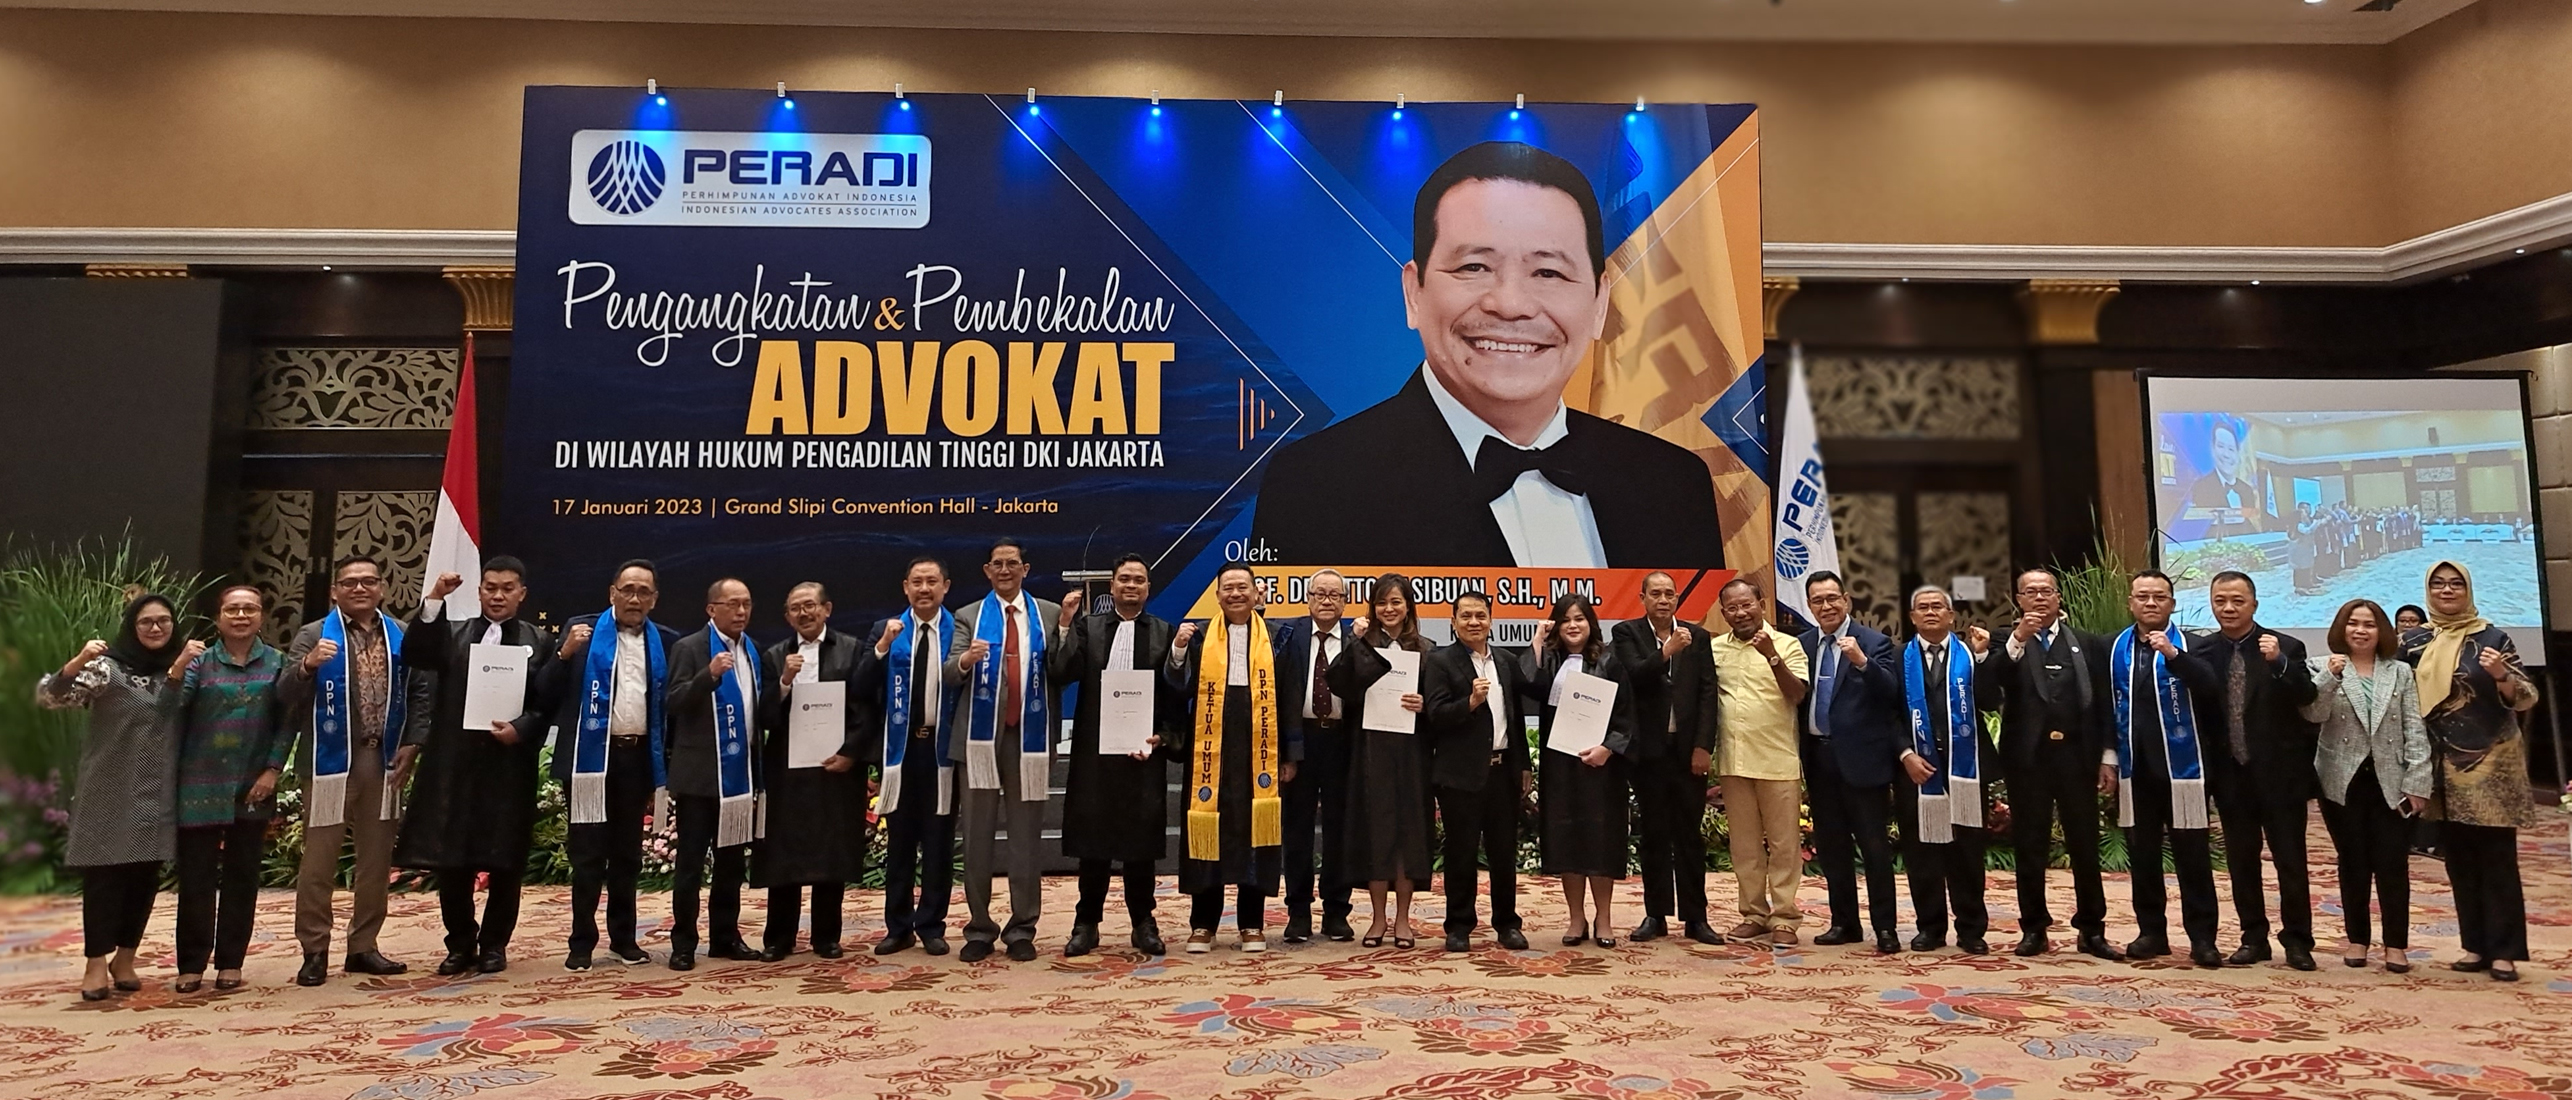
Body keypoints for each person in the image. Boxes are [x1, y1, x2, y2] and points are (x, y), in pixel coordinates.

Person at [1249, 140, 1724, 569]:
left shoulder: (1673, 484)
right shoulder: (1316, 484)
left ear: (1600, 304)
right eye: (1474, 267)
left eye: (1549, 273)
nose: (1510, 304)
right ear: (1414, 293)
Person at [396, 558, 555, 977]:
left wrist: (522, 729)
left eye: (507, 588)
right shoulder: (453, 633)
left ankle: (494, 945)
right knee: (454, 860)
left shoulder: (540, 641)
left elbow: (548, 701)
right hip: (456, 762)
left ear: (522, 594)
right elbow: (416, 653)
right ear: (480, 591)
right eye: (490, 588)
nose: (497, 596)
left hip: (509, 765)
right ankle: (460, 943)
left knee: (506, 860)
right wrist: (435, 599)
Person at [277, 555, 430, 987]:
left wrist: (413, 743)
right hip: (330, 762)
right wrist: (307, 666)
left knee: (376, 860)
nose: (360, 588)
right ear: (335, 591)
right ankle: (314, 950)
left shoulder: (399, 633)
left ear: (382, 588)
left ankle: (363, 946)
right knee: (319, 860)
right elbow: (284, 693)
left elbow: (420, 692)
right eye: (349, 582)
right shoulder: (313, 634)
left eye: (368, 581)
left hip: (383, 761)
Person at [40, 593, 186, 1000]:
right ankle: (94, 963)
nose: (155, 628)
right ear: (131, 627)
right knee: (104, 878)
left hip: (157, 790)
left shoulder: (183, 669)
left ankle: (125, 958)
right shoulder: (106, 668)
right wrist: (77, 661)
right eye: (146, 622)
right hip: (108, 788)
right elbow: (51, 697)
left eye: (163, 621)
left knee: (143, 878)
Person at [2401, 561, 2538, 982]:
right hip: (2440, 766)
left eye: (2455, 583)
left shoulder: (2493, 638)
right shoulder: (2414, 641)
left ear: (2468, 589)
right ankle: (2475, 946)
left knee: (2497, 859)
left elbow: (2525, 696)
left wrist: (2501, 675)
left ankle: (2505, 952)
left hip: (2491, 765)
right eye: (2438, 584)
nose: (2447, 590)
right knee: (2458, 860)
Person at [541, 558, 678, 971]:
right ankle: (581, 942)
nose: (635, 598)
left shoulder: (665, 641)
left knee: (626, 855)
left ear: (655, 599)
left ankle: (624, 939)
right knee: (586, 854)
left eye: (643, 592)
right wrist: (564, 654)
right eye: (627, 590)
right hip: (590, 760)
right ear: (612, 593)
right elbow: (544, 692)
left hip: (636, 759)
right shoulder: (579, 632)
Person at [1979, 566, 2119, 961]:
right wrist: (2018, 640)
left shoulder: (2088, 643)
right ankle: (2034, 928)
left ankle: (2092, 929)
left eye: (2047, 591)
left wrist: (2108, 757)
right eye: (2031, 592)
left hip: (2078, 758)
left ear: (2058, 598)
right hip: (2028, 762)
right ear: (2019, 600)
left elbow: (2104, 702)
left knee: (2084, 846)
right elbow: (1989, 689)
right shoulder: (2005, 641)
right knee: (2030, 846)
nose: (2040, 598)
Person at [1163, 562, 1298, 952]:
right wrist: (1178, 651)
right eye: (1228, 588)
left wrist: (1290, 754)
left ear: (1256, 593)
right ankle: (1203, 923)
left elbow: (1289, 697)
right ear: (1217, 595)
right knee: (1209, 829)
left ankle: (1251, 923)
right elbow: (1178, 689)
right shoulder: (1200, 636)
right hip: (1211, 746)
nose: (1236, 594)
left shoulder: (1278, 637)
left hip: (1261, 747)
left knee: (1255, 832)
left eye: (1243, 587)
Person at [2190, 571, 2320, 971]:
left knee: (2290, 862)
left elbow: (2307, 696)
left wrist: (2279, 663)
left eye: (2237, 601)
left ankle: (2297, 941)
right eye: (2220, 601)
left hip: (2280, 776)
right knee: (2241, 862)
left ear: (2254, 605)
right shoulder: (2202, 651)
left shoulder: (2286, 646)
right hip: (2231, 775)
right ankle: (2253, 938)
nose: (2228, 608)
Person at [1049, 554, 1176, 958]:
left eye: (1139, 580)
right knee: (1094, 844)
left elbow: (1173, 694)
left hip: (1142, 752)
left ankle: (1144, 923)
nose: (1131, 585)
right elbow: (1062, 671)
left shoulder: (1163, 632)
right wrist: (1065, 623)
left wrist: (1163, 737)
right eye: (1124, 579)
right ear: (1112, 586)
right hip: (1095, 755)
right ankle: (1086, 924)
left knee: (1141, 844)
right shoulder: (1088, 628)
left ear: (1148, 588)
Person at [164, 585, 287, 992]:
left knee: (242, 875)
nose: (241, 616)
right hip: (199, 782)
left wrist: (272, 771)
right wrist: (178, 666)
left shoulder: (277, 662)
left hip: (253, 782)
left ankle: (231, 961)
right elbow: (171, 709)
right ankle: (191, 964)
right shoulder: (199, 662)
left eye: (249, 608)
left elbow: (287, 721)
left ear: (261, 616)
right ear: (218, 618)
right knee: (196, 877)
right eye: (232, 609)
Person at [946, 538, 1063, 963]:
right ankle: (979, 928)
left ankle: (1022, 928)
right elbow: (948, 672)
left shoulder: (1049, 614)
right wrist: (965, 661)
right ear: (987, 570)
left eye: (1012, 563)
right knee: (976, 836)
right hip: (979, 740)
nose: (1005, 570)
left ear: (1025, 569)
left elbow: (1064, 667)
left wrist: (1069, 630)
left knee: (1025, 837)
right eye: (997, 564)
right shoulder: (968, 616)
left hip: (1028, 740)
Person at [2101, 569, 2224, 969]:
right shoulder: (2113, 647)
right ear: (2131, 603)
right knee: (2144, 856)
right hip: (2135, 769)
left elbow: (2210, 688)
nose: (2150, 603)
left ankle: (2202, 938)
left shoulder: (2197, 645)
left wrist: (2173, 655)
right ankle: (2151, 932)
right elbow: (2106, 706)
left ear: (2172, 603)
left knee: (2192, 856)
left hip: (2183, 768)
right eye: (2143, 597)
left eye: (2159, 597)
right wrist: (2108, 757)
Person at [2302, 599, 2430, 973]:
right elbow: (2313, 714)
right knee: (2352, 862)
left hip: (2393, 780)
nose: (2360, 631)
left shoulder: (2400, 672)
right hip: (2342, 780)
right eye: (2353, 623)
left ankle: (2396, 945)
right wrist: (2330, 678)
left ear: (2382, 631)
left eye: (2369, 625)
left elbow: (2414, 728)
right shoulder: (2321, 666)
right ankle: (2357, 939)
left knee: (2392, 864)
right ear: (2342, 629)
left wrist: (2418, 780)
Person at [754, 581, 872, 961]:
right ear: (787, 616)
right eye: (795, 608)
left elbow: (867, 707)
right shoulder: (774, 656)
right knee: (783, 852)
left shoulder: (852, 649)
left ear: (826, 609)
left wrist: (851, 753)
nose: (804, 613)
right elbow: (765, 717)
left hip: (836, 766)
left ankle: (826, 936)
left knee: (831, 851)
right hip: (787, 769)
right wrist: (784, 682)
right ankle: (779, 938)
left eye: (810, 606)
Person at [1612, 571, 1723, 946]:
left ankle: (1696, 918)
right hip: (1649, 753)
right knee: (1654, 835)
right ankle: (1655, 915)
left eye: (1669, 594)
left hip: (1688, 751)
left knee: (1690, 836)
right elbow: (1633, 675)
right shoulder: (1627, 633)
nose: (1663, 600)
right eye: (1655, 594)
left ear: (1677, 599)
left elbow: (1708, 693)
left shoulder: (1698, 636)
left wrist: (1703, 746)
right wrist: (1666, 651)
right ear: (1642, 598)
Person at [855, 556, 960, 956]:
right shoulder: (886, 630)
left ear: (945, 586)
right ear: (905, 587)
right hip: (899, 751)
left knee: (938, 842)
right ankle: (898, 927)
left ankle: (931, 924)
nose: (924, 589)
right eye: (917, 582)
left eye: (932, 581)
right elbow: (861, 686)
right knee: (899, 842)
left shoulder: (959, 630)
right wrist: (882, 647)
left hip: (941, 751)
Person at [1795, 571, 1903, 955]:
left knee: (1874, 849)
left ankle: (1885, 927)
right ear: (1809, 606)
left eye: (1832, 598)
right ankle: (1844, 922)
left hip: (1863, 762)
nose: (1826, 606)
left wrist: (1861, 662)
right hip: (1819, 759)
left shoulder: (1874, 643)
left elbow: (1891, 694)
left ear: (1846, 600)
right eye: (1817, 601)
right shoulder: (1802, 645)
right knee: (1832, 847)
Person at [1326, 574, 1436, 948]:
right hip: (1369, 751)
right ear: (1373, 607)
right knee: (1375, 834)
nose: (1389, 609)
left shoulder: (1426, 649)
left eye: (1396, 602)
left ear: (1408, 607)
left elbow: (1440, 703)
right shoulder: (1363, 644)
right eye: (1382, 602)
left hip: (1411, 754)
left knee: (1407, 836)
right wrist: (1355, 643)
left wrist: (1425, 705)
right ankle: (1377, 919)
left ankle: (1402, 919)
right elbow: (1338, 683)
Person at [663, 577, 768, 970]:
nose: (741, 612)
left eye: (746, 604)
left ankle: (725, 937)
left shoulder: (752, 651)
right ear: (711, 609)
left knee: (731, 865)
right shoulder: (689, 647)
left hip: (738, 777)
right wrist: (708, 675)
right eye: (732, 604)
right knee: (690, 865)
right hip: (699, 778)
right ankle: (683, 943)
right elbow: (673, 702)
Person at [1521, 594, 1636, 948]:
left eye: (1580, 618)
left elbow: (1627, 714)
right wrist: (1537, 642)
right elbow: (1526, 683)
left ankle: (1604, 918)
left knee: (1600, 840)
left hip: (1600, 766)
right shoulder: (1550, 660)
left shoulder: (1610, 661)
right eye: (1566, 619)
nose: (1573, 625)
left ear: (1591, 623)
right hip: (1560, 765)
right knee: (1566, 839)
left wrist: (1608, 748)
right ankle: (1575, 918)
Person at [1422, 589, 1531, 952]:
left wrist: (1524, 764)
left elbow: (1515, 717)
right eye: (1466, 616)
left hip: (1503, 770)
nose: (1474, 622)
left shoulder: (1505, 660)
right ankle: (1459, 926)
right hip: (1459, 773)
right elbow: (1435, 714)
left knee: (1503, 853)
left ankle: (1507, 923)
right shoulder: (1440, 661)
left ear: (1491, 620)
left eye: (1480, 615)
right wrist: (1469, 702)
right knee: (1461, 852)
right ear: (1453, 622)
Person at [1893, 586, 1995, 954]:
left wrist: (1983, 659)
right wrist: (1905, 754)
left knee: (1967, 852)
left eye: (1938, 606)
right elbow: (1886, 712)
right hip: (1915, 769)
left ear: (1951, 616)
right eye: (1923, 607)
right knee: (1922, 853)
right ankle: (1930, 928)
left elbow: (1992, 700)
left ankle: (1971, 930)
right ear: (1912, 617)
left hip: (1965, 768)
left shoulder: (1971, 654)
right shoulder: (1898, 657)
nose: (1931, 612)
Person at [1708, 578, 1809, 946]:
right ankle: (1753, 914)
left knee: (1784, 845)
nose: (1740, 613)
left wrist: (1772, 656)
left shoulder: (1788, 644)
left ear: (1761, 604)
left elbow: (1797, 694)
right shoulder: (1715, 649)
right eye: (1732, 608)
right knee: (1744, 846)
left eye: (1746, 605)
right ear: (1724, 613)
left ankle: (1785, 918)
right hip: (1734, 762)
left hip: (1777, 760)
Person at [1277, 569, 1355, 944]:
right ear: (1307, 598)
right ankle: (1298, 911)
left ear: (1345, 602)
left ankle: (1337, 911)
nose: (1326, 600)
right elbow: (1277, 693)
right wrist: (1284, 752)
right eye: (1319, 593)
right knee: (1297, 831)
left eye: (1334, 595)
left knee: (1340, 830)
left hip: (1342, 742)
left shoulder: (1357, 639)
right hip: (1300, 741)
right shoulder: (1288, 635)